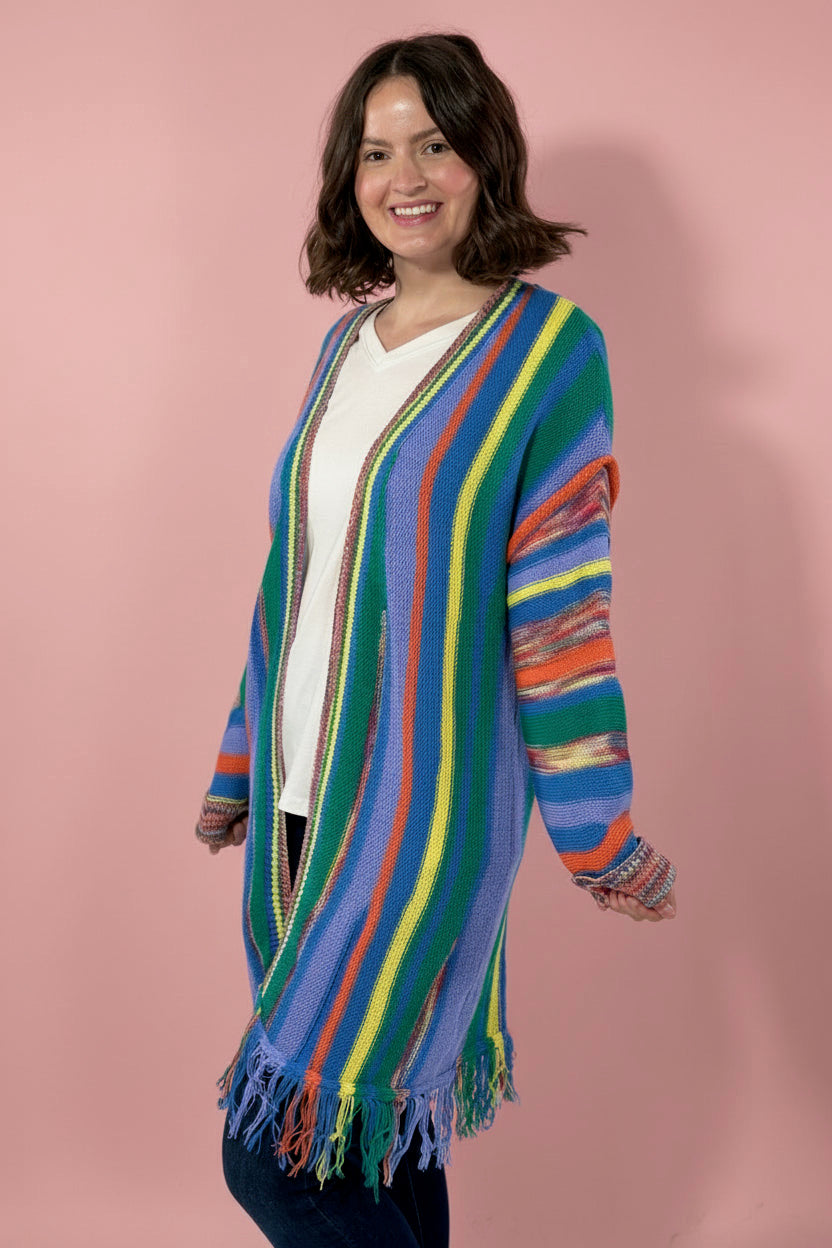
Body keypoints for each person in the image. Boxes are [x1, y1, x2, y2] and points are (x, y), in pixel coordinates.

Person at [195, 31, 678, 1248]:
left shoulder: (546, 354)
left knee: (280, 1157)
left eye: (435, 144)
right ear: (346, 178)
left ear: (484, 162)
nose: (403, 174)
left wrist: (599, 835)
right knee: (365, 1146)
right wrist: (240, 767)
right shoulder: (342, 347)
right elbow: (291, 585)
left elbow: (561, 617)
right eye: (375, 150)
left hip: (423, 813)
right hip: (303, 811)